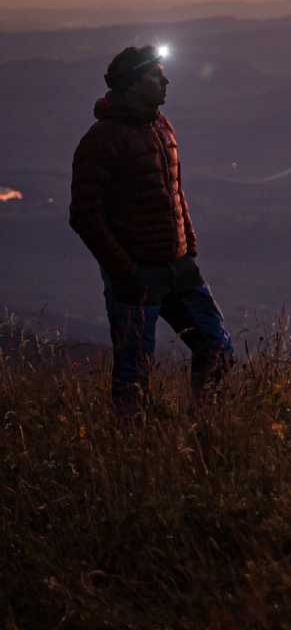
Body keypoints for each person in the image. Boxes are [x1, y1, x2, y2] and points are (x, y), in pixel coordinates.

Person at [69, 44, 233, 416]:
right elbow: (84, 215)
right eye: (155, 76)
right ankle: (131, 454)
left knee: (217, 348)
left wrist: (187, 245)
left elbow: (174, 190)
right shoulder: (101, 140)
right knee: (134, 374)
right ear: (131, 84)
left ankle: (204, 428)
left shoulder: (162, 126)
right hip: (135, 275)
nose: (165, 81)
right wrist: (124, 271)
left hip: (178, 267)